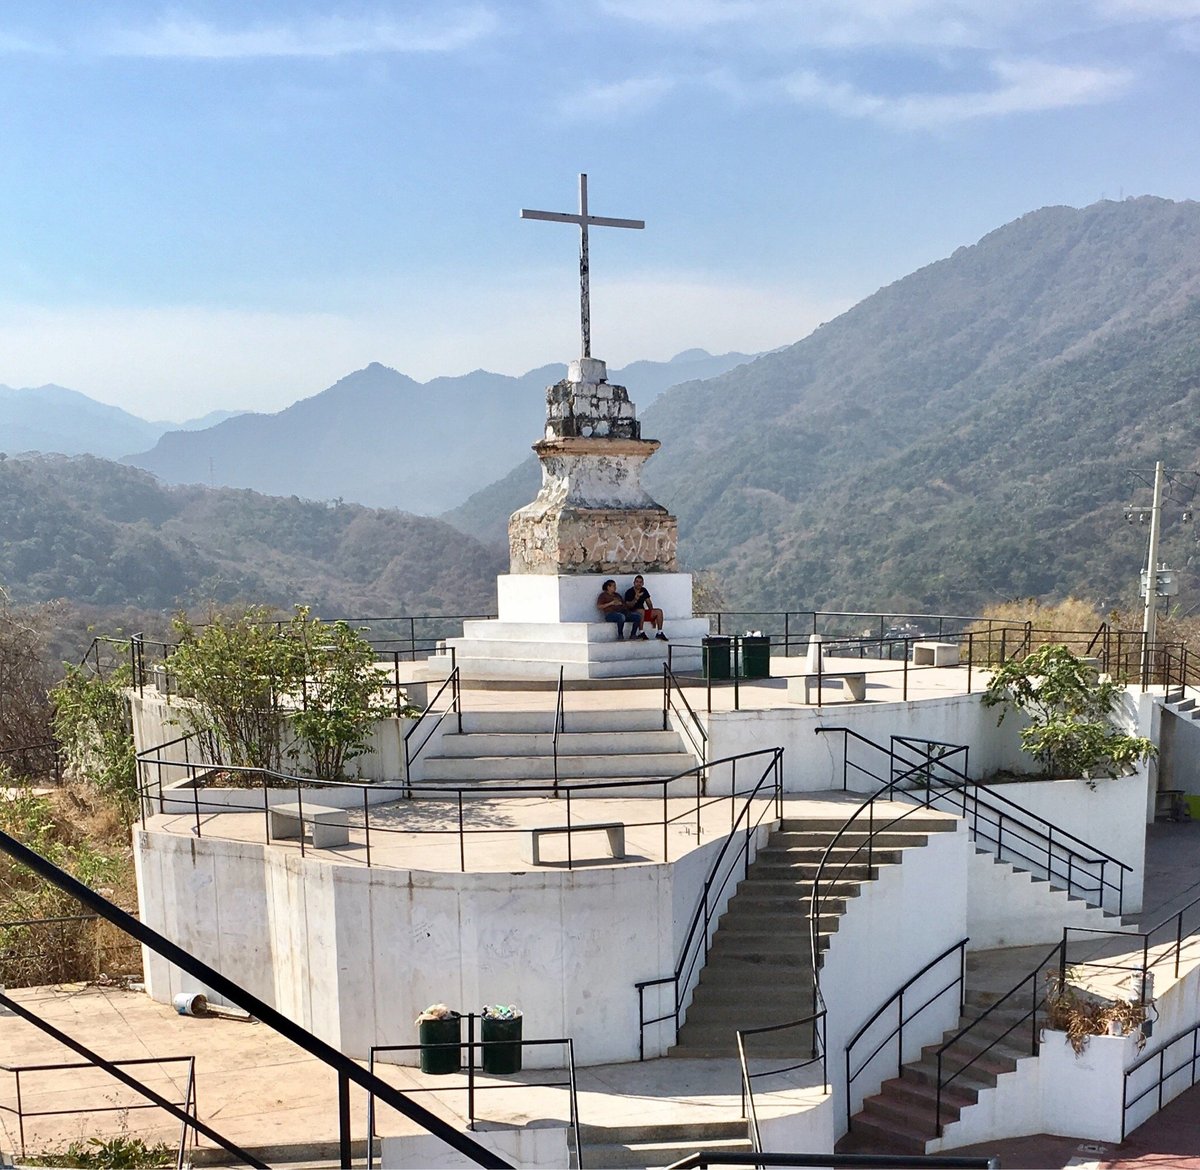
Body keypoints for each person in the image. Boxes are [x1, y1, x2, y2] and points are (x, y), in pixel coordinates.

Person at [624, 574, 667, 640]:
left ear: (643, 583)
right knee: (641, 611)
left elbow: (649, 603)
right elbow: (628, 605)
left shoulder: (644, 590)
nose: (638, 584)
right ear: (634, 583)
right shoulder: (629, 592)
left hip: (642, 612)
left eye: (640, 582)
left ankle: (659, 632)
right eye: (637, 582)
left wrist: (652, 617)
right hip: (632, 612)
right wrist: (635, 599)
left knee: (659, 611)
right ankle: (641, 632)